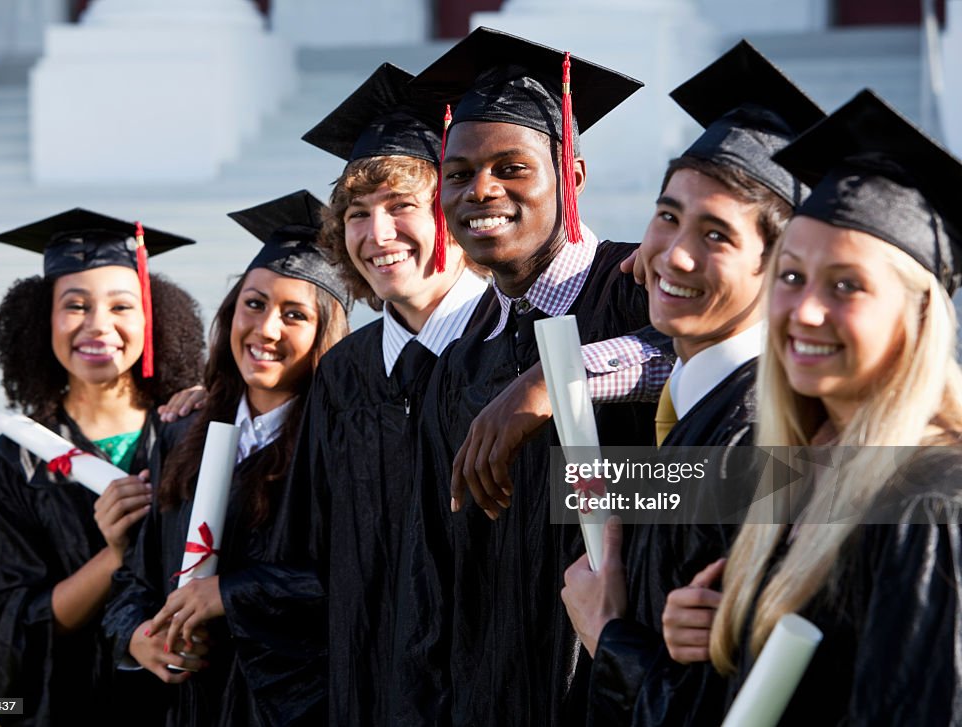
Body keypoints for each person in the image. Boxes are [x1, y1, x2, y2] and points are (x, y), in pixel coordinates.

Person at [553, 41, 824, 725]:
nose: (673, 253)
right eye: (668, 216)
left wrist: (608, 634)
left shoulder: (763, 438)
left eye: (716, 235)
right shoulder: (695, 395)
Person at [395, 27, 656, 726]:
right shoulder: (458, 360)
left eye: (512, 168)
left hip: (619, 688)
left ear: (571, 174)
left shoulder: (640, 289)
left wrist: (557, 380)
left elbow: (725, 461)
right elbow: (432, 577)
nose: (481, 190)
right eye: (458, 173)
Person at [705, 90, 962, 724]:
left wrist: (614, 638)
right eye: (791, 277)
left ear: (920, 314)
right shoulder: (792, 456)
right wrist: (716, 630)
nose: (806, 310)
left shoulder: (930, 503)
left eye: (846, 285)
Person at [103, 190, 350, 726]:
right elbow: (137, 577)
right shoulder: (180, 431)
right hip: (190, 704)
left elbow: (353, 579)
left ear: (324, 336)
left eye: (295, 315)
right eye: (254, 304)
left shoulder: (339, 444)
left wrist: (230, 595)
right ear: (231, 311)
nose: (265, 329)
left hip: (292, 707)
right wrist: (138, 637)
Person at [296, 62, 490, 726]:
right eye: (357, 214)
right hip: (367, 693)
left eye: (401, 206)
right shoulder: (343, 373)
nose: (376, 235)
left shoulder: (522, 351)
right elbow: (308, 546)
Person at [0, 208, 205, 726]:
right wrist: (116, 555)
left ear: (153, 316)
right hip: (66, 701)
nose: (98, 324)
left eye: (122, 305)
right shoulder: (14, 459)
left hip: (178, 701)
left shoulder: (187, 433)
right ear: (42, 322)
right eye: (74, 305)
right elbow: (13, 621)